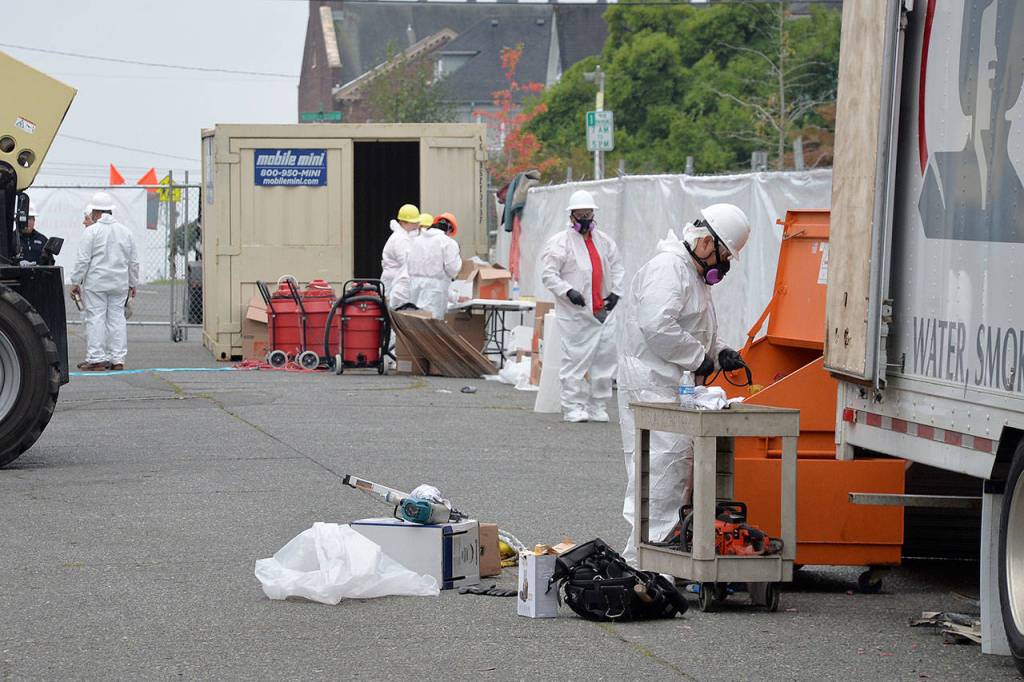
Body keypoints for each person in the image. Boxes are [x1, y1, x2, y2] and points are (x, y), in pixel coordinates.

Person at [617, 203, 752, 564]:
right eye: (724, 256)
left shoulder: (690, 273)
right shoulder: (668, 269)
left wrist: (719, 352)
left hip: (671, 384)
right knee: (659, 475)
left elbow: (692, 328)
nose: (722, 266)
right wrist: (699, 358)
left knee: (674, 474)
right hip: (652, 384)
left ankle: (657, 559)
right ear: (707, 242)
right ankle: (648, 562)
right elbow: (658, 326)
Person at [539, 190, 624, 423]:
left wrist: (616, 292)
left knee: (605, 360)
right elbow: (549, 274)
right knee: (575, 360)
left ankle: (598, 405)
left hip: (602, 311)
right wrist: (568, 291)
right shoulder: (560, 243)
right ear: (571, 217)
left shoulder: (603, 241)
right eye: (581, 214)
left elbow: (616, 266)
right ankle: (573, 406)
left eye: (589, 213)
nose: (585, 219)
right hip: (576, 312)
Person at [69, 192, 140, 372]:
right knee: (117, 319)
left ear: (95, 212)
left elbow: (83, 260)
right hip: (119, 284)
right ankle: (118, 359)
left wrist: (76, 281)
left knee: (96, 318)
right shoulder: (126, 232)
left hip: (96, 283)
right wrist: (133, 283)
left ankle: (96, 358)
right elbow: (133, 262)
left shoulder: (91, 232)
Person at [407, 211, 462, 319]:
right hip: (435, 291)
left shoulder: (416, 241)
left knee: (414, 321)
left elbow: (408, 263)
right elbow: (453, 269)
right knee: (431, 324)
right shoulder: (448, 243)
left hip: (414, 287)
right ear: (449, 229)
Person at [381, 203, 421, 309]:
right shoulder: (400, 239)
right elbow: (408, 263)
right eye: (414, 222)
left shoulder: (403, 236)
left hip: (395, 284)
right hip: (395, 286)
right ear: (404, 222)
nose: (417, 225)